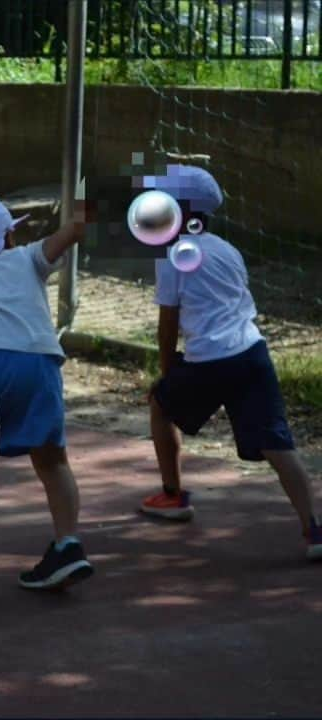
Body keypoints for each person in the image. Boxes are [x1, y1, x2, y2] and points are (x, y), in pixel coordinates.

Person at [138, 164, 321, 560]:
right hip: (253, 354)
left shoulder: (172, 257)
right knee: (278, 443)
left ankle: (173, 496)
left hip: (209, 362)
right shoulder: (228, 250)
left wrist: (167, 377)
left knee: (160, 405)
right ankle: (313, 529)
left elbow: (168, 327)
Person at [0, 196, 94, 590]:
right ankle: (67, 544)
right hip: (40, 363)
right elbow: (73, 231)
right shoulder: (28, 257)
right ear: (7, 236)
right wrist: (82, 198)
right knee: (52, 461)